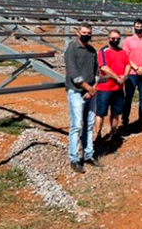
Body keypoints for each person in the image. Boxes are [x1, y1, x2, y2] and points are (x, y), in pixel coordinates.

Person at [64, 24, 100, 173]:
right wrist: (89, 88)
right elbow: (74, 73)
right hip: (77, 92)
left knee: (90, 124)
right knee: (77, 125)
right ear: (78, 33)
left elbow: (96, 71)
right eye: (84, 32)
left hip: (90, 93)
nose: (86, 35)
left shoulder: (92, 51)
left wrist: (94, 88)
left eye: (89, 33)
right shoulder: (71, 49)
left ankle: (88, 154)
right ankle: (74, 158)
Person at [95, 29, 130, 141]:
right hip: (105, 88)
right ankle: (98, 135)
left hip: (118, 88)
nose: (115, 40)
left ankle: (114, 133)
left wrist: (124, 76)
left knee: (116, 112)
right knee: (101, 113)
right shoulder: (103, 51)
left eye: (118, 39)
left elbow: (128, 64)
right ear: (109, 38)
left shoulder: (123, 52)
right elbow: (104, 67)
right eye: (113, 38)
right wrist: (117, 78)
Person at [122, 18, 142, 132]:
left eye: (141, 26)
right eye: (137, 26)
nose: (139, 28)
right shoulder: (128, 40)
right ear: (134, 26)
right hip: (131, 74)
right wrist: (136, 67)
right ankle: (125, 121)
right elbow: (126, 56)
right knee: (128, 98)